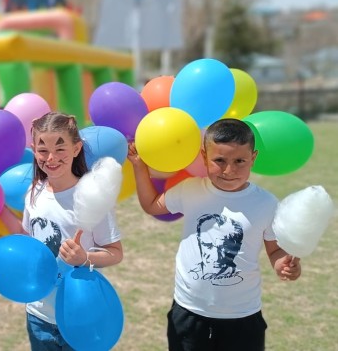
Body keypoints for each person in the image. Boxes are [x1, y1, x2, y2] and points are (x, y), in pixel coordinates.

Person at [127, 118, 302, 351]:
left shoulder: (267, 203)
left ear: (253, 158)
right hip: (189, 313)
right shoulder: (190, 190)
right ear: (204, 157)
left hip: (243, 317)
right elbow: (151, 205)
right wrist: (139, 166)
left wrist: (283, 264)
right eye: (220, 160)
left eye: (240, 161)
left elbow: (275, 249)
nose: (229, 170)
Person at [23, 112, 124, 350]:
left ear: (77, 148)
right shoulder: (33, 194)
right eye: (42, 149)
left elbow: (115, 252)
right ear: (33, 150)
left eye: (60, 149)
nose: (51, 158)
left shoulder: (92, 196)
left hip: (80, 314)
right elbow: (30, 242)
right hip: (39, 315)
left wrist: (84, 257)